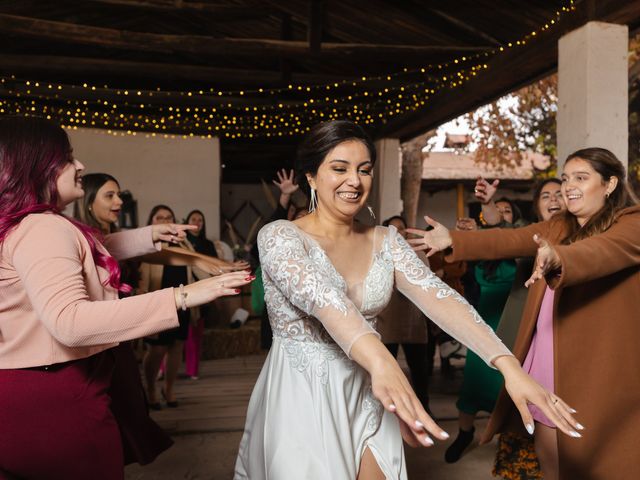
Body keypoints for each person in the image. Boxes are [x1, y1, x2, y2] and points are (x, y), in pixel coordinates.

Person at [234, 120, 581, 480]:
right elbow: (326, 303)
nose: (354, 181)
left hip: (370, 391)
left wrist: (509, 367)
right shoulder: (279, 236)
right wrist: (384, 364)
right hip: (303, 396)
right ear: (311, 177)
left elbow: (441, 298)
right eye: (339, 168)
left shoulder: (386, 240)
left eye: (364, 170)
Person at [0, 116, 253, 479]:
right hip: (55, 398)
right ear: (36, 166)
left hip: (19, 392)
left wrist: (149, 235)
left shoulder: (22, 226)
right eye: (67, 157)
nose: (80, 165)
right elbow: (70, 322)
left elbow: (87, 249)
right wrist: (181, 296)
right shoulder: (44, 228)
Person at [408, 147, 637, 480]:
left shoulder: (631, 222)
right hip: (547, 351)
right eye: (566, 178)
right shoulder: (559, 225)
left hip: (596, 363)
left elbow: (601, 252)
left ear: (610, 184)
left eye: (581, 178)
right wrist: (452, 239)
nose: (569, 186)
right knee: (550, 456)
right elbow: (507, 238)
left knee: (595, 457)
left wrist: (559, 258)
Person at [445, 196, 524, 463]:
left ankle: (510, 440)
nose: (501, 215)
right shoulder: (484, 246)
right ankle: (465, 433)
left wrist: (489, 227)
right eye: (497, 211)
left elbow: (506, 238)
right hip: (484, 321)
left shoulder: (521, 245)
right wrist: (461, 236)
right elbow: (455, 264)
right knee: (474, 381)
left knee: (506, 383)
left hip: (512, 317)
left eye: (507, 212)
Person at [376, 215, 431, 413]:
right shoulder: (377, 253)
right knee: (387, 368)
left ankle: (423, 407)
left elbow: (426, 282)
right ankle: (389, 409)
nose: (397, 232)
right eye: (392, 229)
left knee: (419, 370)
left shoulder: (418, 253)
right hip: (385, 317)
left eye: (401, 228)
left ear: (407, 231)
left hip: (413, 318)